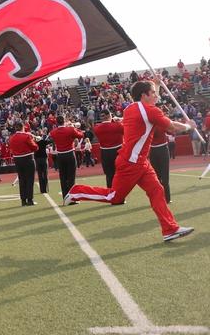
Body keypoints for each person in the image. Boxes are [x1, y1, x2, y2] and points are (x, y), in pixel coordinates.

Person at [64, 80, 194, 242]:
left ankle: (169, 229)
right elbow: (172, 127)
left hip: (139, 161)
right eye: (153, 93)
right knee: (114, 197)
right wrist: (189, 126)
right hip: (131, 163)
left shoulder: (131, 108)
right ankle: (77, 191)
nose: (156, 96)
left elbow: (151, 104)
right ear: (144, 95)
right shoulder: (149, 111)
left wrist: (157, 85)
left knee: (157, 191)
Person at [49, 116, 84, 199]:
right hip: (70, 154)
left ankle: (65, 197)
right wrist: (74, 127)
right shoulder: (70, 129)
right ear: (64, 121)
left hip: (60, 155)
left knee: (63, 177)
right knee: (71, 177)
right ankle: (72, 197)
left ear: (57, 122)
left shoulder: (53, 132)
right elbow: (81, 135)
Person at [9, 122, 39, 206]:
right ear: (22, 127)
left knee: (22, 180)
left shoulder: (12, 138)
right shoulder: (26, 136)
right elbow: (35, 147)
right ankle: (30, 200)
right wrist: (33, 139)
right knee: (29, 180)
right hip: (28, 158)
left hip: (17, 159)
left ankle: (23, 200)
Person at [94, 109, 124, 188]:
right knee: (119, 174)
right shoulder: (117, 125)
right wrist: (118, 121)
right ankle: (120, 196)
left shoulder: (97, 128)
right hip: (117, 151)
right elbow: (126, 129)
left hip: (105, 153)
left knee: (109, 175)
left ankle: (111, 194)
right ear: (108, 115)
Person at [149, 129, 171, 204]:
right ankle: (159, 198)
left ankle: (167, 198)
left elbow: (171, 131)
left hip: (163, 149)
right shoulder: (149, 123)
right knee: (156, 177)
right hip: (152, 150)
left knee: (165, 177)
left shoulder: (161, 121)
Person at [34, 129, 51, 194]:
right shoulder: (43, 142)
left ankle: (42, 190)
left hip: (37, 160)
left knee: (40, 175)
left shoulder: (35, 143)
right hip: (44, 159)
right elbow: (49, 141)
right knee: (45, 174)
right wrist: (46, 137)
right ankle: (46, 189)